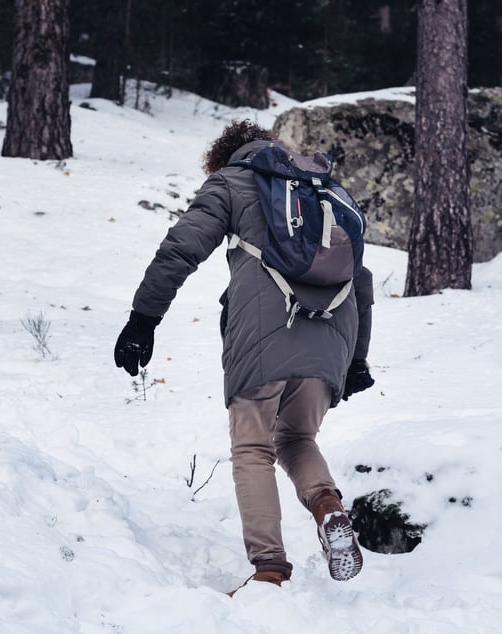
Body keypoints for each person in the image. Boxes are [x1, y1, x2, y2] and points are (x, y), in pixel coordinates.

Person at [114, 120, 375, 590]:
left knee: (253, 448)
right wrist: (357, 360)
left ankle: (270, 571)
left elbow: (181, 249)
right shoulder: (324, 188)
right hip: (333, 337)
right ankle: (328, 508)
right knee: (296, 439)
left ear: (223, 156)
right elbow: (362, 278)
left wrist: (143, 319)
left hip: (262, 334)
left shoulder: (232, 181)